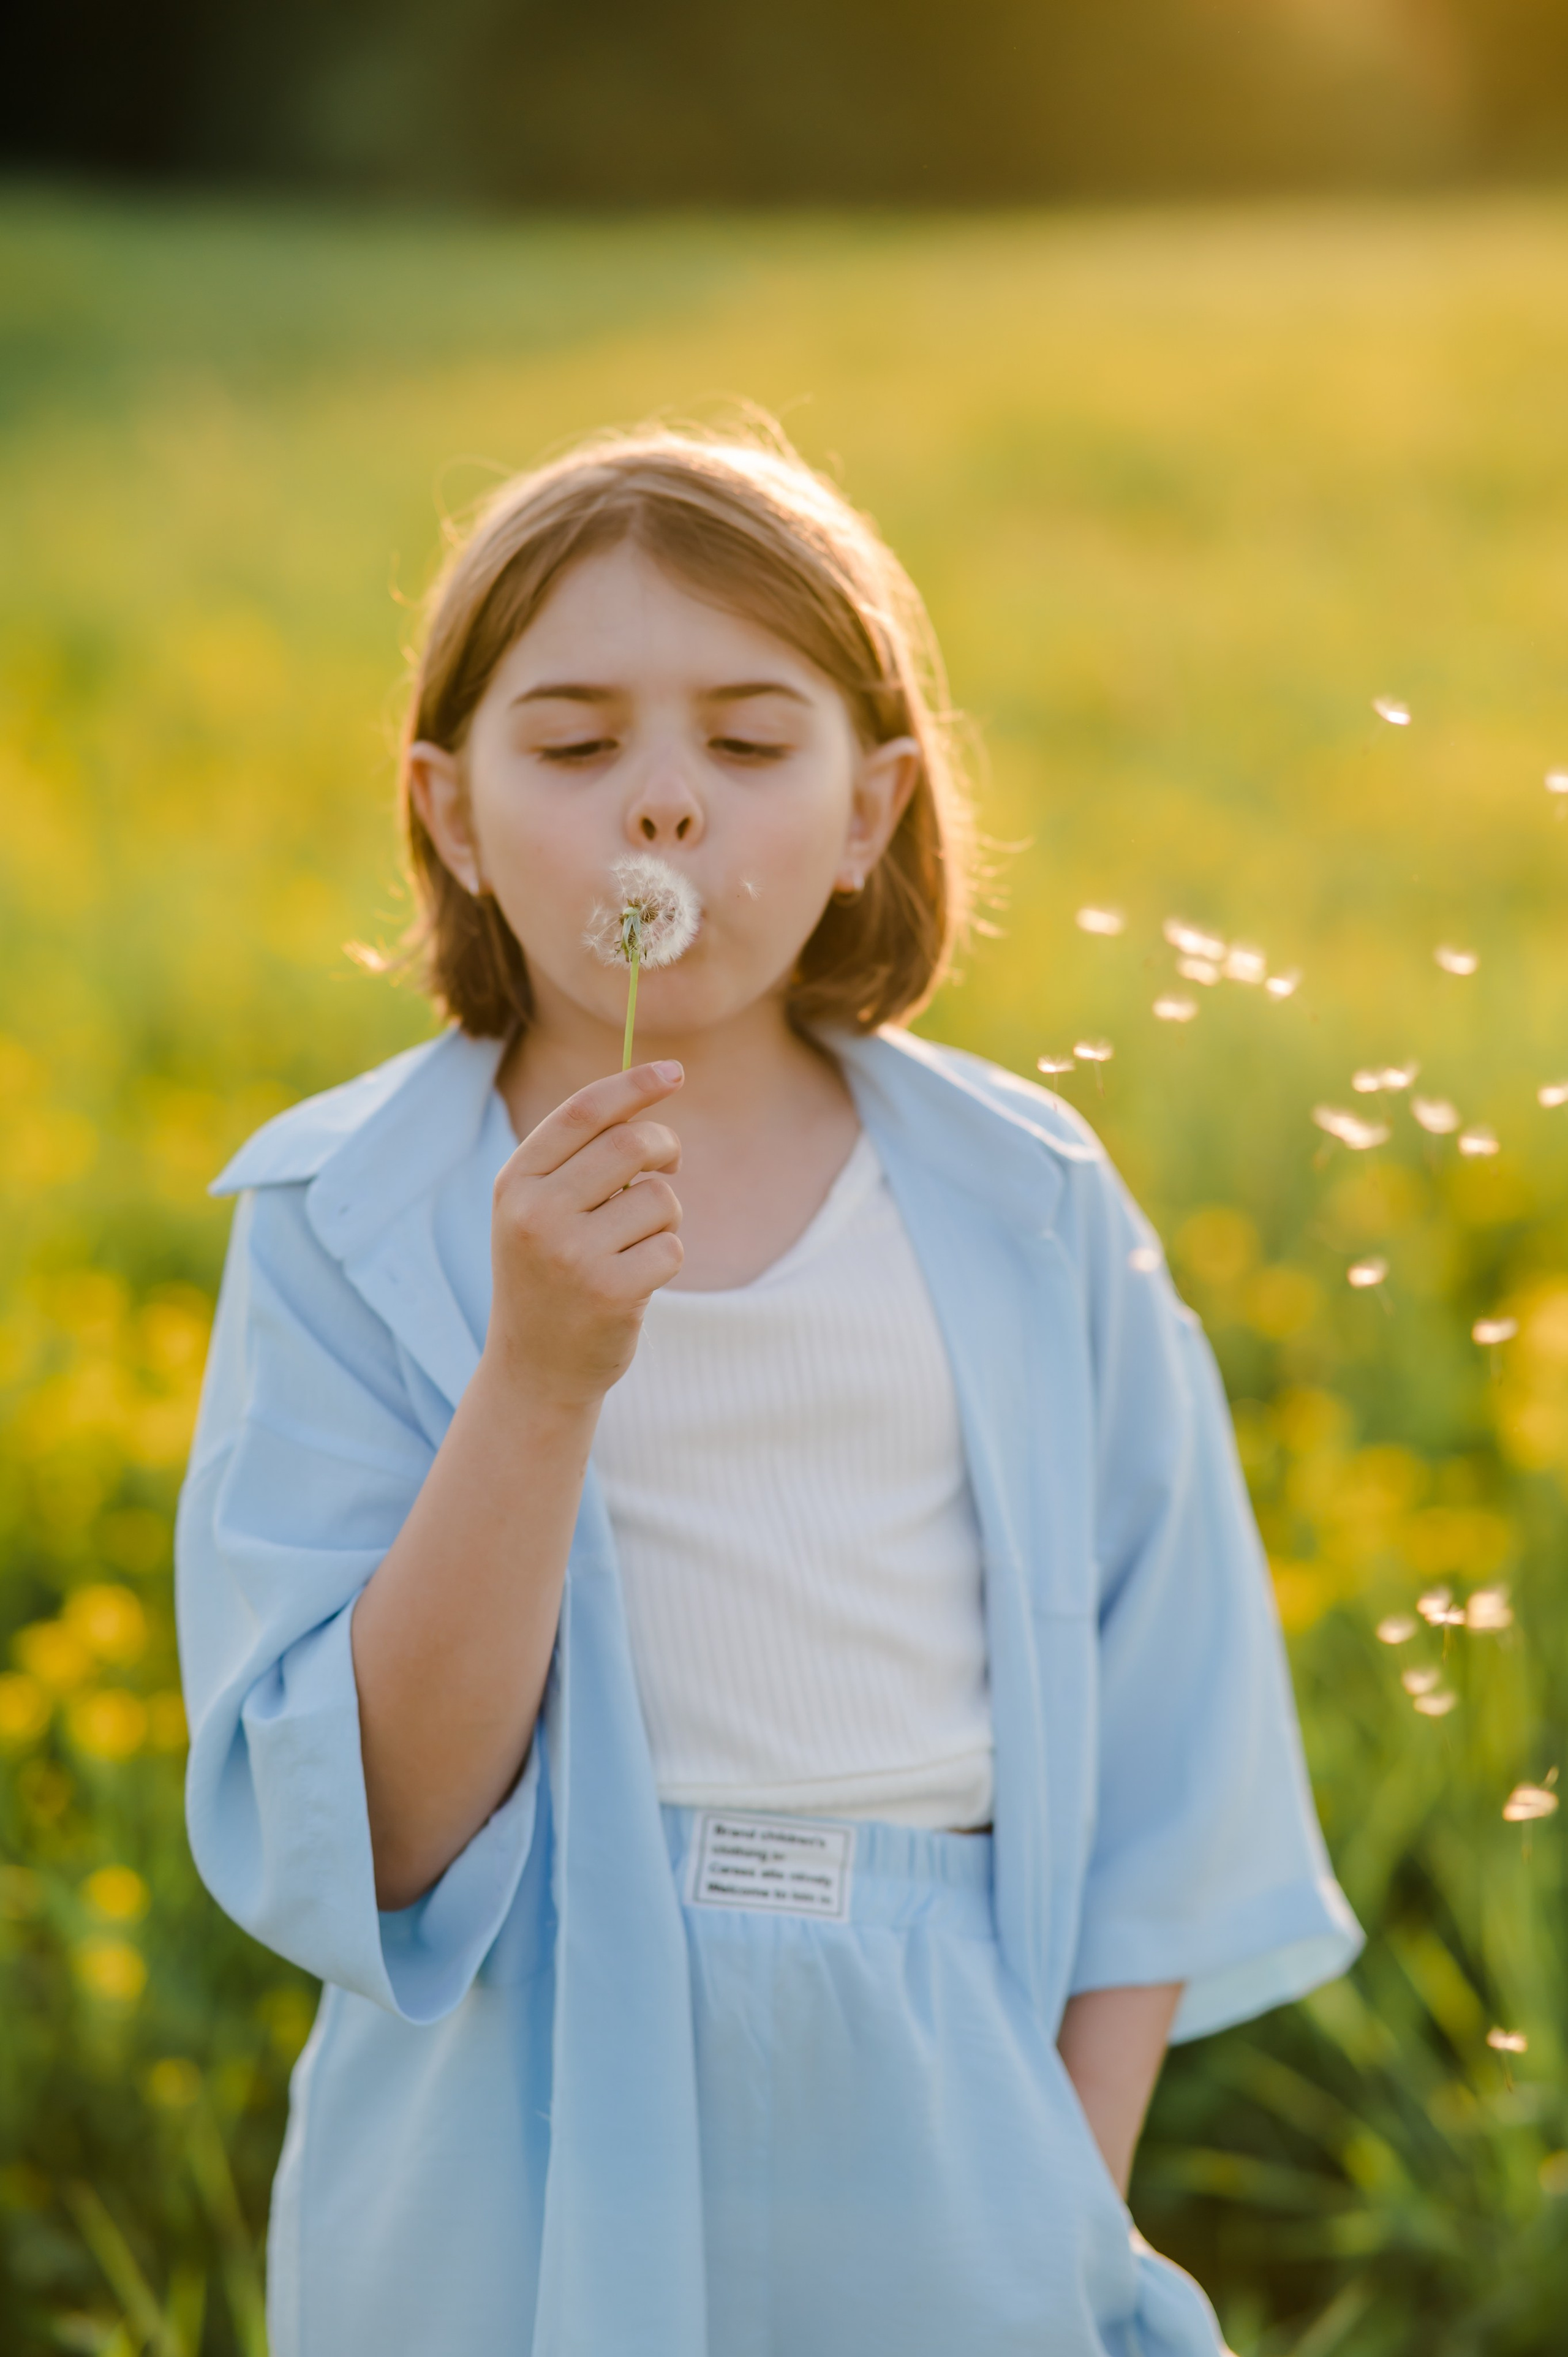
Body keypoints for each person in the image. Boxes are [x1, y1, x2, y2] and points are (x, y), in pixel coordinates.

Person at [175, 422, 1362, 2357]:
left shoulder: (1025, 1200)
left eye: (748, 746)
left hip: (942, 2076)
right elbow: (373, 1826)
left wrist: (1064, 2167)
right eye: (573, 749)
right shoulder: (348, 1214)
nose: (664, 812)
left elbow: (1175, 1725)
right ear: (452, 810)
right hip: (515, 2087)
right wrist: (541, 1375)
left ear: (873, 807)